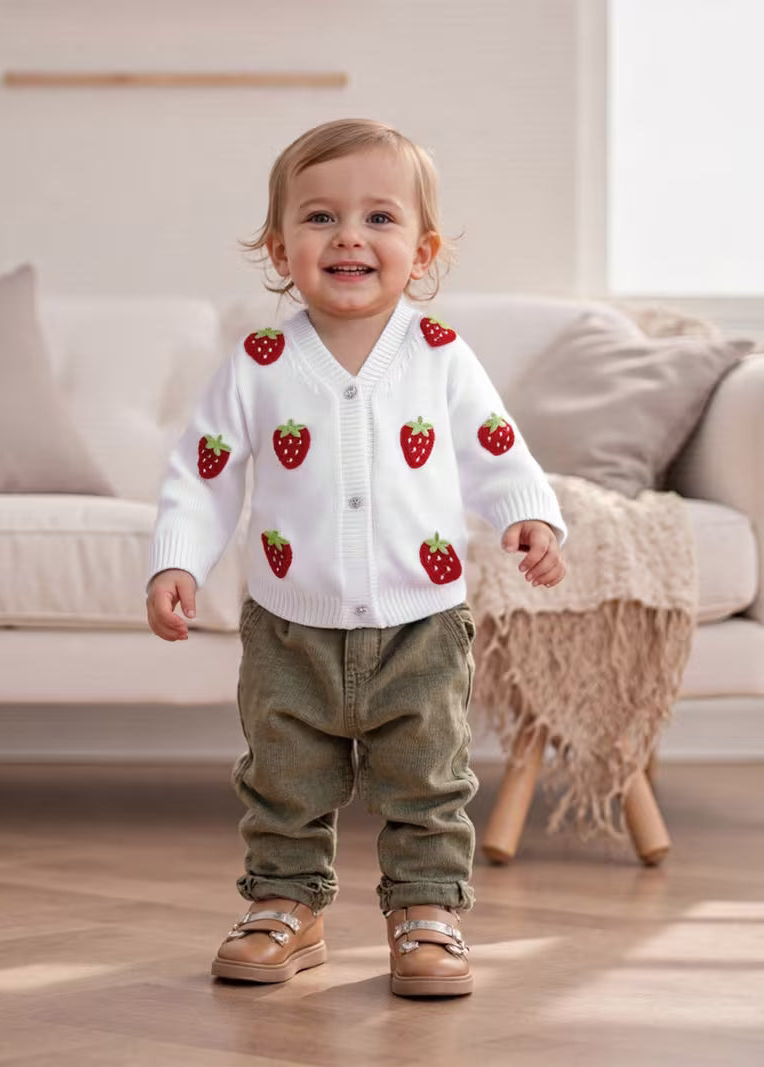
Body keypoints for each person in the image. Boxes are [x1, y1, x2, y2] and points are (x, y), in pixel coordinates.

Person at [146, 118, 567, 998]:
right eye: (320, 217)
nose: (348, 236)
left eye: (379, 217)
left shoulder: (440, 354)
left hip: (423, 624)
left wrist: (528, 513)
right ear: (279, 247)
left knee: (428, 780)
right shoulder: (259, 362)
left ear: (423, 250)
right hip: (288, 629)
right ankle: (284, 907)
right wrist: (178, 559)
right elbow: (204, 470)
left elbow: (496, 447)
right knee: (282, 779)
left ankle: (427, 912)